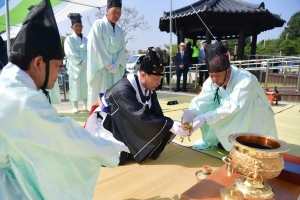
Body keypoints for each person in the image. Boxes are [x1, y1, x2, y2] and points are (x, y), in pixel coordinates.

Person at [0, 0, 125, 199]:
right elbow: (65, 139)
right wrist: (110, 149)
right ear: (39, 62)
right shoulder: (21, 100)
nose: (60, 72)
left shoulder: (8, 80)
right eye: (58, 65)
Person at [97, 47, 190, 165]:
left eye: (161, 79)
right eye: (156, 79)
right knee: (119, 156)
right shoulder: (123, 90)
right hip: (110, 125)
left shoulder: (149, 90)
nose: (159, 83)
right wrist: (170, 125)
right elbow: (138, 117)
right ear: (142, 75)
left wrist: (175, 126)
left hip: (125, 124)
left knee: (153, 145)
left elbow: (157, 116)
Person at [182, 42, 278, 151]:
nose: (214, 80)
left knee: (252, 149)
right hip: (235, 118)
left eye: (217, 76)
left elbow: (233, 106)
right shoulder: (212, 80)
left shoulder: (246, 80)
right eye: (211, 75)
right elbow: (203, 98)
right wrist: (192, 112)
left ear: (228, 70)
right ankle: (226, 140)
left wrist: (205, 118)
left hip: (253, 118)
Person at [86, 0, 126, 111]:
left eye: (119, 12)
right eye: (114, 12)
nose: (117, 15)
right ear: (107, 10)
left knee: (114, 97)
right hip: (101, 68)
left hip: (115, 69)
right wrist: (108, 64)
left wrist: (117, 64)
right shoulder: (98, 25)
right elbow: (95, 45)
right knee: (99, 96)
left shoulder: (120, 30)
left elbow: (122, 49)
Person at [64, 13, 88, 113]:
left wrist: (87, 61)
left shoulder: (86, 39)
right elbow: (69, 52)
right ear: (72, 27)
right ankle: (75, 106)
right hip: (75, 65)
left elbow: (90, 51)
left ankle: (86, 104)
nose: (78, 28)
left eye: (80, 26)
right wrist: (80, 61)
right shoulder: (69, 39)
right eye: (76, 26)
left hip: (86, 65)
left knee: (86, 84)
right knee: (75, 85)